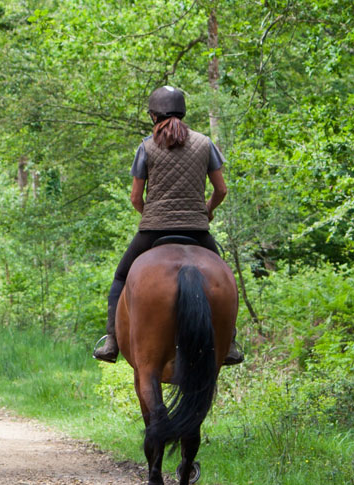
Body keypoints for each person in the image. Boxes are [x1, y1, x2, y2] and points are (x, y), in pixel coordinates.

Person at [93, 86, 244, 365]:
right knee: (225, 279)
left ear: (154, 115)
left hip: (153, 231)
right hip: (197, 231)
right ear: (183, 112)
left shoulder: (146, 146)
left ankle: (111, 342)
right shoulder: (204, 143)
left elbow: (135, 197)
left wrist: (150, 214)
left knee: (121, 277)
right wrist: (206, 211)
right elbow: (221, 190)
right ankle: (231, 341)